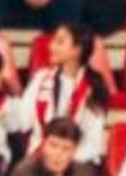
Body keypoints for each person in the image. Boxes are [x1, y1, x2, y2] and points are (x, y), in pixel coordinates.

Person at [21, 23, 110, 166]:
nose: (51, 46)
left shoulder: (92, 87)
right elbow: (23, 121)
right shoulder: (41, 79)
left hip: (78, 160)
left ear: (77, 50)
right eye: (53, 41)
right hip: (40, 157)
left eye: (59, 42)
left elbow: (93, 142)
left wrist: (64, 160)